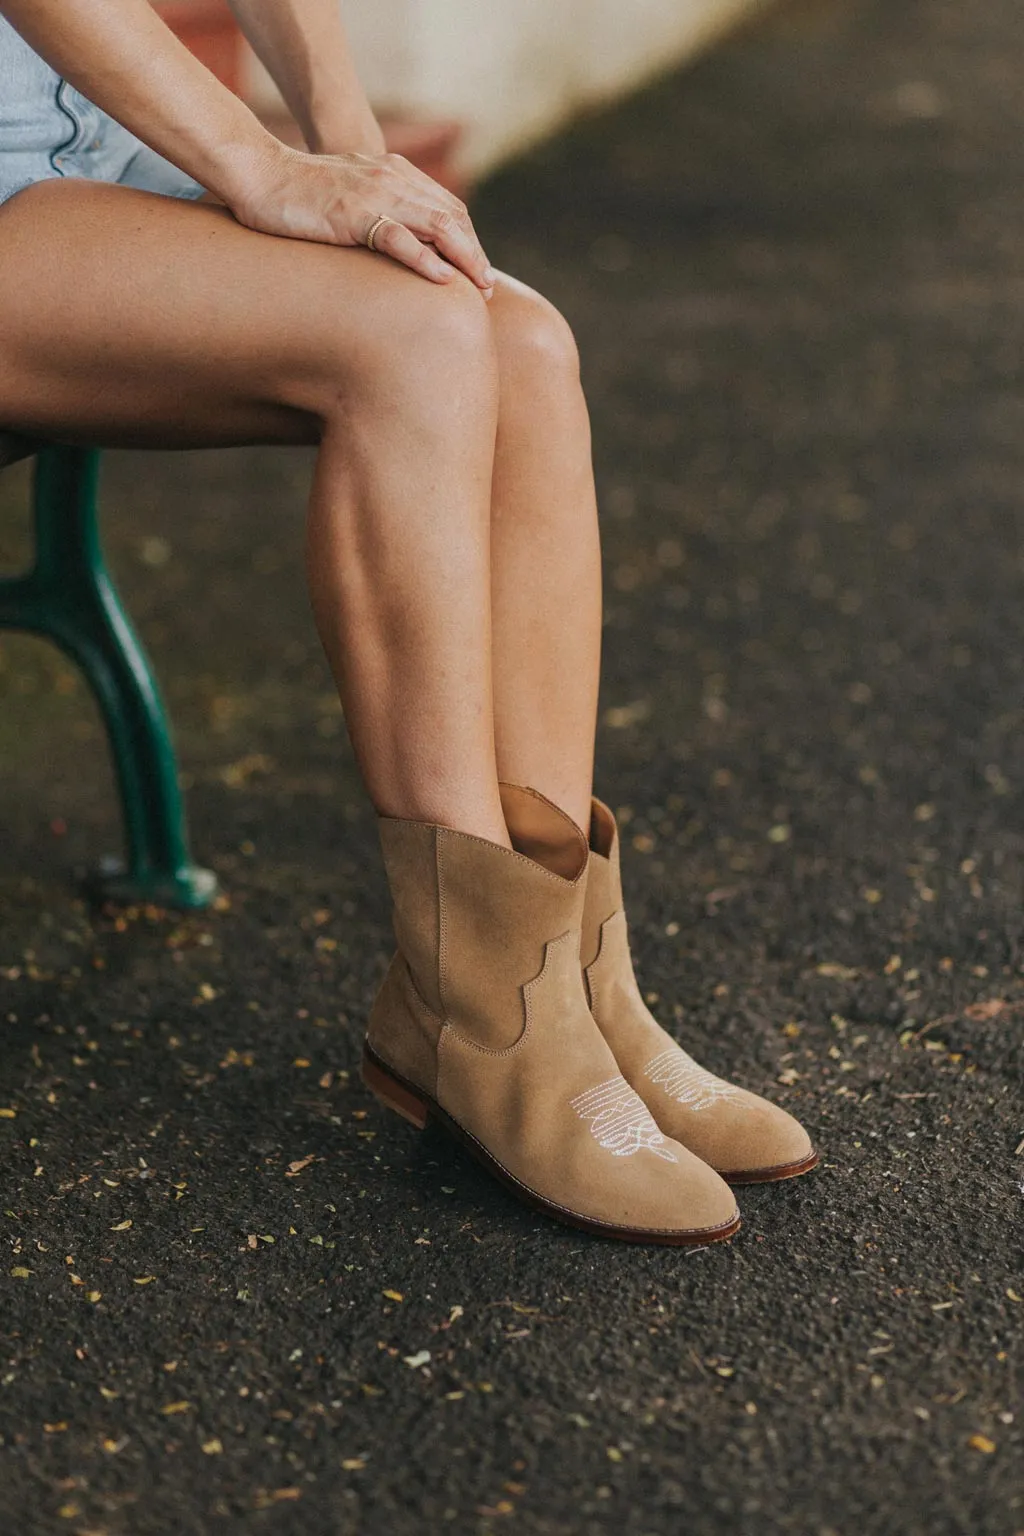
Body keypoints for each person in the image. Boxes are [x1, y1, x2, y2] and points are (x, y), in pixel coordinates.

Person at [0, 0, 816, 1245]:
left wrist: (345, 142)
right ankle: (475, 1010)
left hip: (92, 149)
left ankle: (568, 984)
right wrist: (262, 167)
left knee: (518, 340)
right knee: (413, 337)